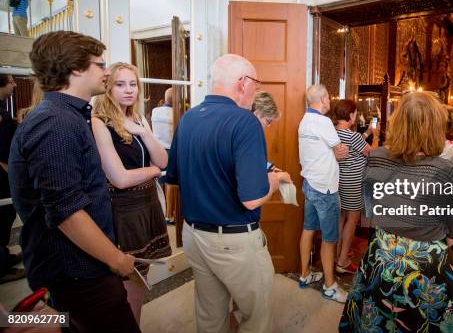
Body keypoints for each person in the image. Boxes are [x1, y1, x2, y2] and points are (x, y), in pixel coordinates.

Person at [8, 31, 140, 332]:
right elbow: (67, 212)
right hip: (78, 270)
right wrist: (116, 259)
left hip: (81, 267)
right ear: (76, 68)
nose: (106, 71)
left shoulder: (68, 116)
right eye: (100, 64)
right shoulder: (56, 123)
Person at [166, 54, 283, 333]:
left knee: (210, 313)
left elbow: (174, 177)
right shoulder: (245, 123)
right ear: (242, 83)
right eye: (255, 83)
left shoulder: (189, 117)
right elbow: (252, 198)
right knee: (256, 315)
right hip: (233, 241)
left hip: (193, 236)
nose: (256, 90)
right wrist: (275, 182)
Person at [339, 91, 453, 332]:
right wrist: (422, 245)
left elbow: (371, 209)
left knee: (377, 321)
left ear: (397, 123)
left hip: (382, 255)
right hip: (426, 265)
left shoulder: (375, 158)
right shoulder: (447, 171)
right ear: (435, 126)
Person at [92, 62, 171, 323]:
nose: (129, 90)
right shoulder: (99, 122)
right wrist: (152, 172)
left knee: (141, 279)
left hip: (146, 205)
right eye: (120, 84)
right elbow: (120, 178)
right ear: (107, 88)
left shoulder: (137, 118)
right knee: (127, 286)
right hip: (122, 209)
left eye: (133, 84)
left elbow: (163, 161)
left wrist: (144, 133)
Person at [297, 84, 349, 303]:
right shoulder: (324, 121)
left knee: (308, 229)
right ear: (322, 99)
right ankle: (330, 286)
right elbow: (341, 150)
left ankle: (305, 274)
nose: (330, 101)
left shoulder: (304, 121)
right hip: (325, 189)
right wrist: (339, 153)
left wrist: (334, 153)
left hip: (309, 183)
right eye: (328, 97)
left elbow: (329, 151)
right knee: (330, 239)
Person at [333, 99, 377, 275]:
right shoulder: (352, 136)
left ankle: (336, 253)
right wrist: (377, 136)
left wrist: (367, 132)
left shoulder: (334, 133)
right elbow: (372, 152)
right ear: (351, 114)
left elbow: (356, 142)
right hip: (353, 183)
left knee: (341, 217)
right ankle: (343, 261)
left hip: (338, 181)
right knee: (352, 219)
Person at [0, 74, 23, 283]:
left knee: (6, 218)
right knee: (1, 219)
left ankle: (4, 257)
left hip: (7, 173)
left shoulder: (2, 107)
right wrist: (12, 173)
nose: (15, 84)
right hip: (2, 175)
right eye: (11, 81)